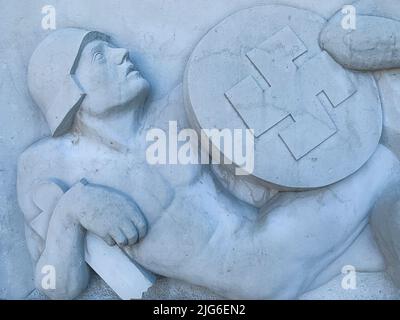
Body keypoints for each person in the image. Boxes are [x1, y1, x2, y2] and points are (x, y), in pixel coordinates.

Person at [17, 26, 400, 300]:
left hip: (272, 246)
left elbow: (258, 95)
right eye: (99, 55)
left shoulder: (171, 116)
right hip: (255, 268)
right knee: (383, 167)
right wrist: (73, 209)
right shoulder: (55, 167)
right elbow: (57, 287)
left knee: (381, 177)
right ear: (70, 90)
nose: (122, 54)